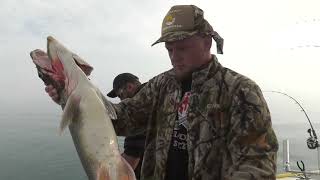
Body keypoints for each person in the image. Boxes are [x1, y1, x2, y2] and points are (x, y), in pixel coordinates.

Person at [45, 4, 278, 180]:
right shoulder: (161, 85)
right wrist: (72, 100)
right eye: (169, 49)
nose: (175, 56)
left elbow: (258, 163)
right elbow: (120, 118)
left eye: (183, 48)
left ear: (206, 43)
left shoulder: (241, 91)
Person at [106, 73, 146, 180]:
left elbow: (130, 161)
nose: (120, 100)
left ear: (129, 87)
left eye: (120, 95)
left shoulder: (138, 114)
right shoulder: (159, 97)